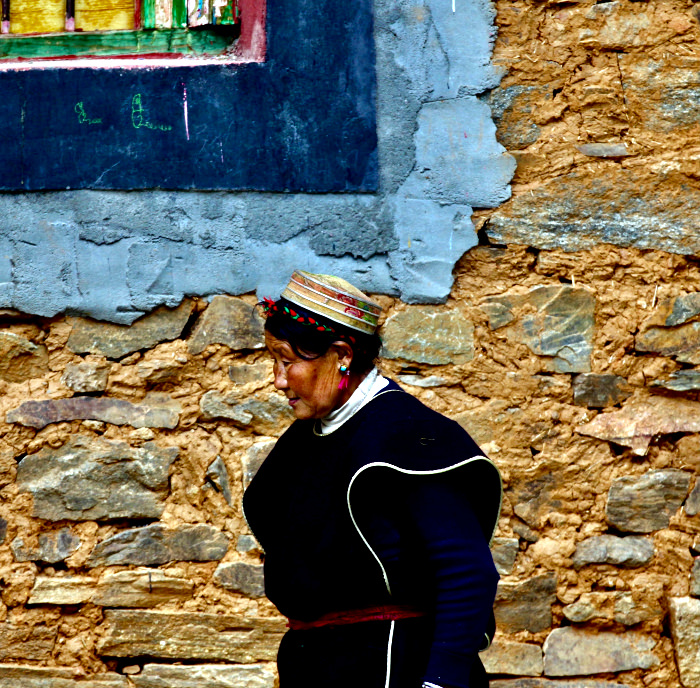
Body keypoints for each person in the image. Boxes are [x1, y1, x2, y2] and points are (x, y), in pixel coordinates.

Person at [243, 270, 502, 688]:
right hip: (321, 667)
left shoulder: (404, 436)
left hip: (394, 667)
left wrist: (443, 680)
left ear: (341, 354)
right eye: (274, 361)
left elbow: (467, 570)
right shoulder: (309, 436)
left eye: (287, 361)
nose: (277, 380)